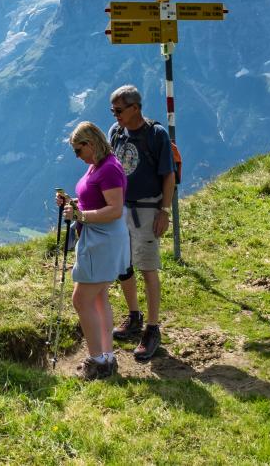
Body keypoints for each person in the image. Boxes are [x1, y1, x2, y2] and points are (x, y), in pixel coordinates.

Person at [107, 84, 176, 361]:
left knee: (147, 267)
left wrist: (165, 211)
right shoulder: (116, 134)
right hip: (121, 209)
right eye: (112, 111)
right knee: (123, 265)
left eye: (119, 110)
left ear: (136, 107)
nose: (115, 116)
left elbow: (168, 175)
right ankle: (134, 315)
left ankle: (152, 328)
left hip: (147, 209)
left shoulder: (155, 134)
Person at [57, 121, 128, 380]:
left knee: (81, 300)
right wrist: (74, 204)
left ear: (89, 144)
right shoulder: (99, 165)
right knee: (99, 298)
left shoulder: (108, 169)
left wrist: (81, 215)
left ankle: (97, 361)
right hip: (100, 239)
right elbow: (98, 200)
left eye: (78, 150)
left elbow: (115, 209)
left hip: (101, 241)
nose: (77, 156)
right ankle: (106, 356)